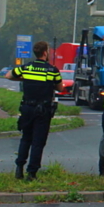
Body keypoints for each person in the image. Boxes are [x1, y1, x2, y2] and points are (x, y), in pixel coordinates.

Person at [6, 41, 62, 180]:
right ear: (44, 52)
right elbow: (60, 88)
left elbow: (8, 75)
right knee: (38, 141)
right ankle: (32, 173)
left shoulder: (26, 67)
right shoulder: (51, 70)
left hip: (27, 108)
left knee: (26, 138)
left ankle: (19, 168)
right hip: (43, 110)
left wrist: (25, 79)